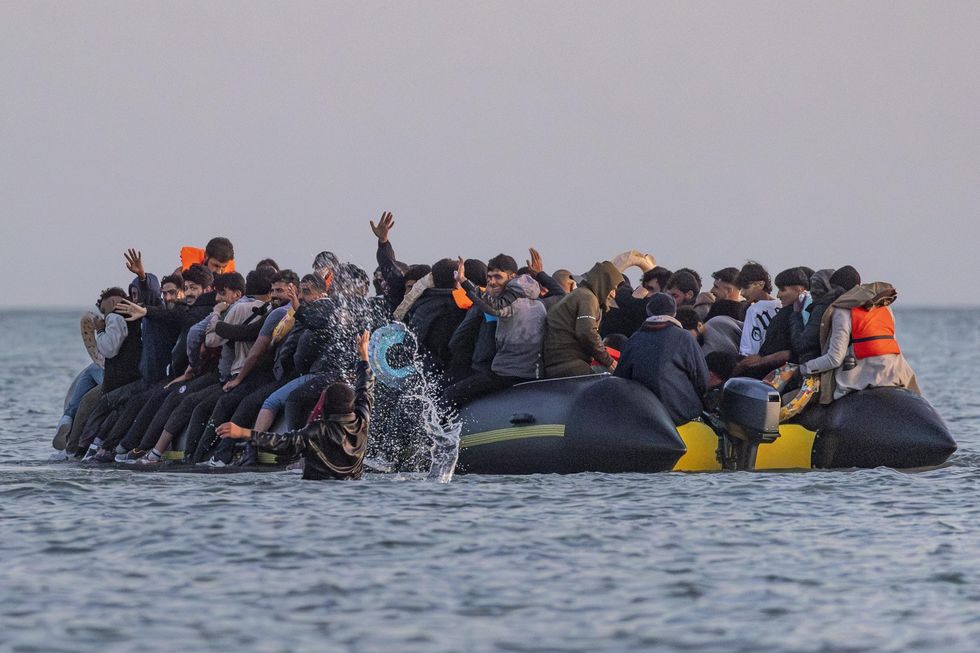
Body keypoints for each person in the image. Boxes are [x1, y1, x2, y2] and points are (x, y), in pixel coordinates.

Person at [216, 330, 375, 481]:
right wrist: (364, 357)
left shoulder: (318, 431)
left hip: (318, 491)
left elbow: (282, 441)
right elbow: (364, 389)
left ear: (326, 406)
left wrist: (242, 432)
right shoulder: (362, 422)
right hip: (352, 488)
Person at [445, 255, 553, 404]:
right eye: (489, 277)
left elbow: (493, 307)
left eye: (498, 277)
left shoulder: (512, 303)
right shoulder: (536, 301)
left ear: (512, 277)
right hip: (531, 372)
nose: (492, 281)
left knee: (450, 394)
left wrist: (463, 281)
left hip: (509, 372)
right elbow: (560, 295)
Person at [800, 282, 919, 403]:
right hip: (895, 375)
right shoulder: (885, 307)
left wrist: (805, 368)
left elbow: (834, 359)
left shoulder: (842, 311)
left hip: (861, 380)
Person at [614, 293, 708, 425]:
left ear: (648, 311)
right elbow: (702, 380)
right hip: (682, 416)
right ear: (674, 313)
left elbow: (620, 378)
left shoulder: (634, 339)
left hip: (643, 416)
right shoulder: (684, 337)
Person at [543, 261, 623, 378]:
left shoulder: (579, 295)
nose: (613, 295)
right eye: (612, 288)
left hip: (559, 364)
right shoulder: (588, 297)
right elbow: (587, 331)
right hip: (570, 365)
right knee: (616, 381)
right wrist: (609, 361)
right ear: (602, 283)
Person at [792, 266, 861, 364]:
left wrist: (796, 315)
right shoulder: (855, 306)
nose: (813, 291)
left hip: (817, 365)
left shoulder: (822, 308)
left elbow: (803, 344)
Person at [735, 261, 782, 357]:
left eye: (746, 287)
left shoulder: (754, 310)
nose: (742, 293)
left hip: (762, 361)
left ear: (761, 284)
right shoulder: (782, 305)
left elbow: (748, 349)